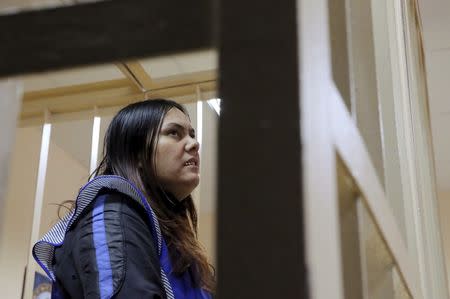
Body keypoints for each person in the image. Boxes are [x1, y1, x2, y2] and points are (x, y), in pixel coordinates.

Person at [33, 99, 215, 299]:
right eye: (174, 133)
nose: (194, 143)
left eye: (192, 134)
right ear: (136, 153)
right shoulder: (113, 214)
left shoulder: (175, 244)